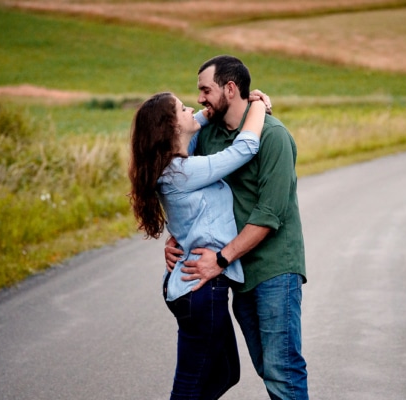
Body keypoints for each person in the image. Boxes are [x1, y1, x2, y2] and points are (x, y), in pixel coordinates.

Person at [165, 55, 309, 400]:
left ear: (230, 89)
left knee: (282, 369)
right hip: (238, 270)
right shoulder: (208, 134)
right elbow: (181, 184)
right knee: (264, 365)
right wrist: (176, 237)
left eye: (205, 90)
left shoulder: (273, 137)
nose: (199, 99)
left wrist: (220, 260)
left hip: (274, 267)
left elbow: (268, 215)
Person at [128, 91, 267, 399]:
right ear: (170, 128)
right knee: (189, 386)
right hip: (200, 291)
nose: (192, 107)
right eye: (182, 108)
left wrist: (213, 108)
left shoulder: (176, 162)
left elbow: (199, 121)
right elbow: (244, 148)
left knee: (227, 372)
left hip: (197, 289)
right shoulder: (181, 171)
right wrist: (259, 104)